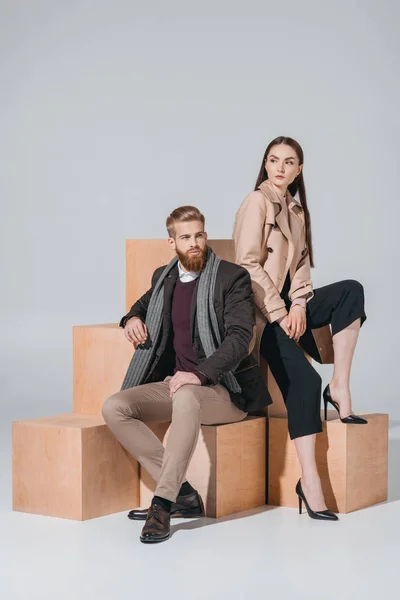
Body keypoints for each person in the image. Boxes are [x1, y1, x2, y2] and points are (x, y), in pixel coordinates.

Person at [102, 205, 270, 543]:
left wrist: (200, 374)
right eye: (185, 237)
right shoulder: (164, 278)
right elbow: (142, 305)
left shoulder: (231, 277)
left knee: (188, 393)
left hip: (225, 391)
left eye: (198, 235)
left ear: (205, 236)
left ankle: (162, 504)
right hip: (178, 387)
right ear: (172, 242)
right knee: (114, 407)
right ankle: (184, 494)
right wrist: (132, 318)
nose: (193, 243)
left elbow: (241, 338)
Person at [233, 136, 367, 521]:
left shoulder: (295, 208)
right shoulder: (256, 202)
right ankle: (309, 481)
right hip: (262, 317)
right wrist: (280, 311)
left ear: (299, 170)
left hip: (291, 311)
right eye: (273, 160)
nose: (279, 167)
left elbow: (302, 266)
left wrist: (300, 304)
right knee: (305, 383)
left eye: (288, 162)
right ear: (265, 164)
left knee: (350, 293)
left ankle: (339, 385)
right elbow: (247, 266)